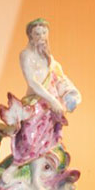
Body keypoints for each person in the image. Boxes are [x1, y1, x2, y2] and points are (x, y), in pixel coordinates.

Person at [7, 18, 81, 164]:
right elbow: (32, 83)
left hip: (50, 107)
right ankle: (16, 168)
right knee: (30, 138)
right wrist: (52, 100)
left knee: (48, 144)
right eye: (37, 33)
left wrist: (71, 95)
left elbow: (60, 78)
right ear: (30, 35)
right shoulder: (26, 55)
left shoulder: (49, 58)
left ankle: (42, 175)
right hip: (35, 103)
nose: (41, 37)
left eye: (44, 33)